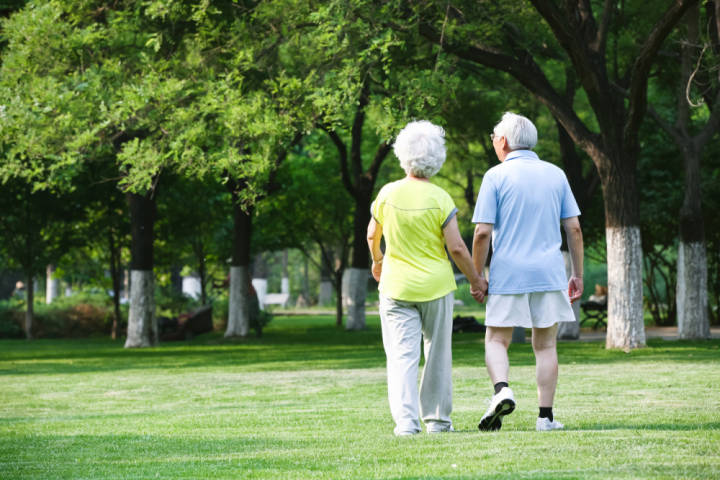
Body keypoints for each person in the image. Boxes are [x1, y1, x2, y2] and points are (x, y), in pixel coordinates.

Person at [367, 120, 485, 436]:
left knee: (401, 356)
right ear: (438, 157)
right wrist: (475, 280)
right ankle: (437, 421)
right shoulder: (440, 198)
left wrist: (378, 260)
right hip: (436, 287)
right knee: (436, 353)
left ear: (402, 155)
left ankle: (406, 423)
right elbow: (458, 248)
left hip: (395, 287)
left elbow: (371, 235)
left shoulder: (387, 193)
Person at [471, 112, 583, 432]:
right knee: (545, 345)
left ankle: (501, 390)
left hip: (508, 273)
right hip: (549, 272)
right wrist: (578, 275)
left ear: (503, 141)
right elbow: (573, 228)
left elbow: (481, 233)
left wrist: (478, 277)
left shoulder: (496, 176)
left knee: (496, 339)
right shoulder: (556, 174)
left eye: (494, 137)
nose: (494, 142)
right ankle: (545, 418)